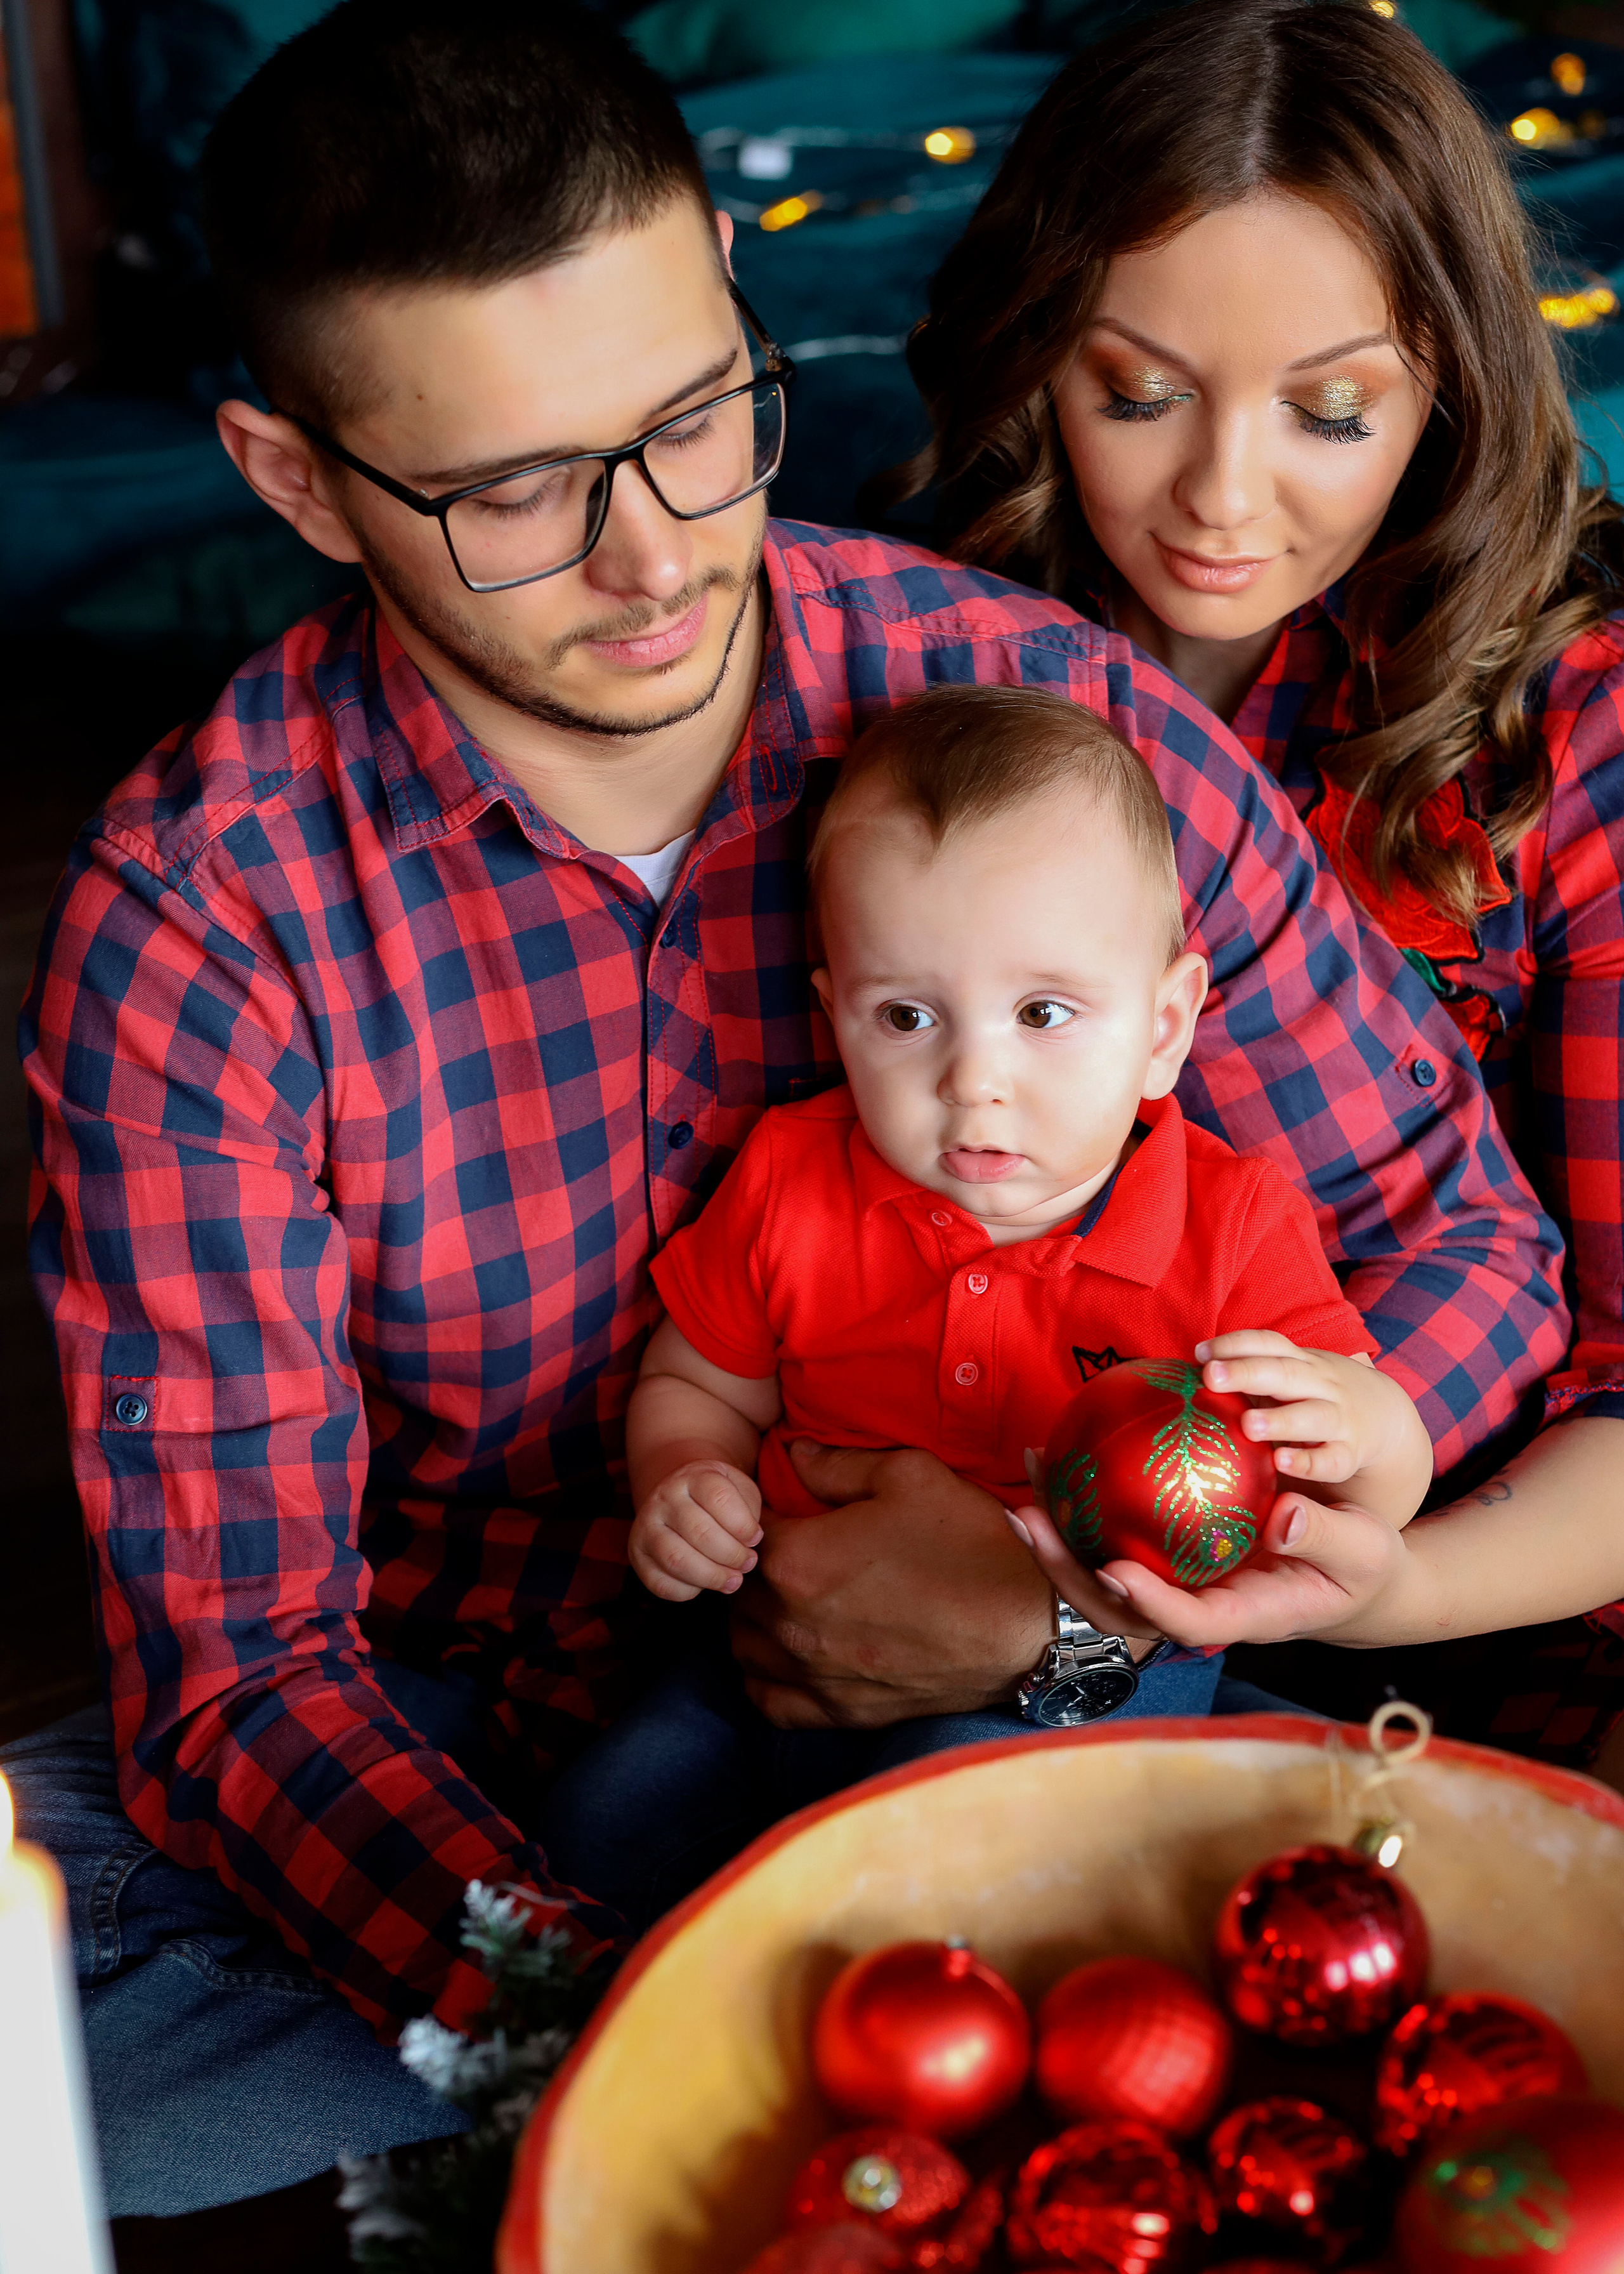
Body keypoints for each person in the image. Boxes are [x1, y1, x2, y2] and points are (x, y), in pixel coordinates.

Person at [6, 0, 1564, 2218]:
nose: (652, 558)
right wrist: (603, 1991)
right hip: (485, 1741)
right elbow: (247, 1677)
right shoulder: (205, 921)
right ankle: (831, 2062)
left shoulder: (1025, 731)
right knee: (44, 1991)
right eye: (516, 490)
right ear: (297, 484)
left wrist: (1091, 1593)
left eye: (693, 422)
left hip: (1048, 1667)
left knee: (1217, 1822)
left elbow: (1461, 1238)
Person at [878, 0, 1624, 1678]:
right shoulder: (933, 650)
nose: (1221, 492)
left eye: (1330, 412)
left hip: (1474, 1582)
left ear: (1447, 383)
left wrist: (1392, 1591)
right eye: (1137, 391)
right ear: (1039, 352)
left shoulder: (1580, 728)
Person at [537, 685, 1432, 1928]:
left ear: (1164, 1026)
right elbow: (698, 1380)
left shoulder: (1231, 1225)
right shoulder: (792, 1179)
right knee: (596, 1828)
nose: (974, 1083)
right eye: (906, 1016)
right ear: (832, 1012)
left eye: (1042, 1014)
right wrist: (685, 1476)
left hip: (1098, 1667)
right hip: (781, 1645)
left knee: (940, 1874)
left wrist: (1365, 1429)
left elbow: (1363, 1493)